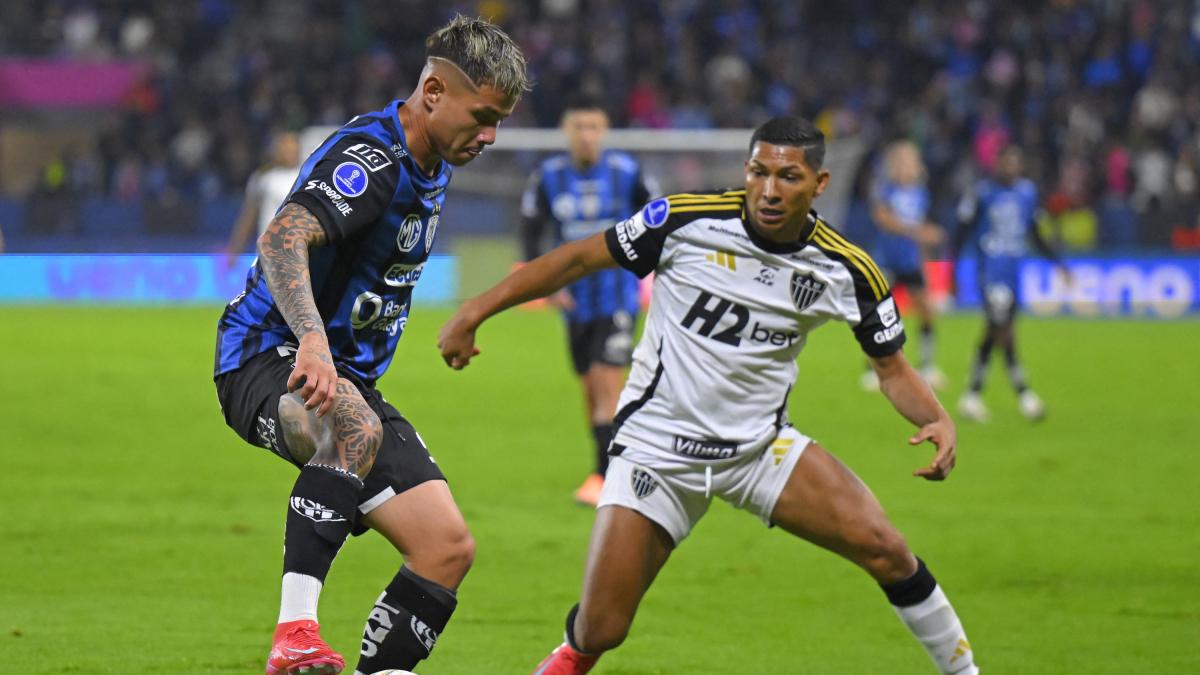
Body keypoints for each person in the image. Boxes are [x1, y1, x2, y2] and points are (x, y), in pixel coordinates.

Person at [440, 117, 978, 675]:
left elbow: (892, 370)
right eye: (759, 172)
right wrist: (475, 310)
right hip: (657, 450)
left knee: (887, 549)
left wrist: (937, 417)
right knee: (600, 630)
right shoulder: (685, 220)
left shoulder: (846, 269)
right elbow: (576, 258)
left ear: (819, 184)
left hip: (759, 451)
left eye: (788, 177)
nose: (769, 191)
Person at [213, 16, 528, 675]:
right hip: (267, 356)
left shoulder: (433, 158)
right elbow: (282, 237)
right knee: (351, 426)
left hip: (347, 377)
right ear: (434, 92)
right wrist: (311, 340)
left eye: (499, 121)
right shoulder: (372, 159)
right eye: (483, 117)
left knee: (446, 547)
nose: (491, 136)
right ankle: (295, 634)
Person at [520, 94, 658, 505]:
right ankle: (616, 464)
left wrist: (647, 271)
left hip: (617, 297)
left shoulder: (627, 172)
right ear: (567, 131)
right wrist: (548, 285)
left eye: (594, 127)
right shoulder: (548, 176)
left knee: (605, 384)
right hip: (575, 301)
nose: (586, 135)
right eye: (579, 127)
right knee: (590, 389)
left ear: (604, 131)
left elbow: (658, 221)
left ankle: (604, 476)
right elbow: (531, 233)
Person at [954, 144, 1068, 423]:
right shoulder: (982, 193)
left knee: (996, 332)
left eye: (1015, 162)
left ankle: (972, 396)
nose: (1011, 167)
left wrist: (1058, 264)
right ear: (997, 164)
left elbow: (1035, 233)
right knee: (1003, 331)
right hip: (990, 273)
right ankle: (1023, 394)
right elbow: (962, 232)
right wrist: (953, 270)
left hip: (1013, 274)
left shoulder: (1027, 193)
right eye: (1006, 162)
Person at [861, 140, 946, 391]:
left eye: (910, 162)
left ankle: (928, 366)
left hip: (910, 261)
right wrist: (919, 233)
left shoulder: (922, 194)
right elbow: (884, 220)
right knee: (880, 316)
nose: (906, 167)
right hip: (886, 259)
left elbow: (922, 235)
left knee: (926, 311)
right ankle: (872, 370)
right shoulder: (885, 191)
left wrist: (925, 260)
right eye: (901, 162)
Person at [223, 131, 302, 266]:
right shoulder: (263, 178)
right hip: (268, 252)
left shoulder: (307, 176)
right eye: (285, 148)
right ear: (276, 150)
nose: (289, 152)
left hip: (299, 253)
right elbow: (249, 216)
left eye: (292, 148)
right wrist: (235, 249)